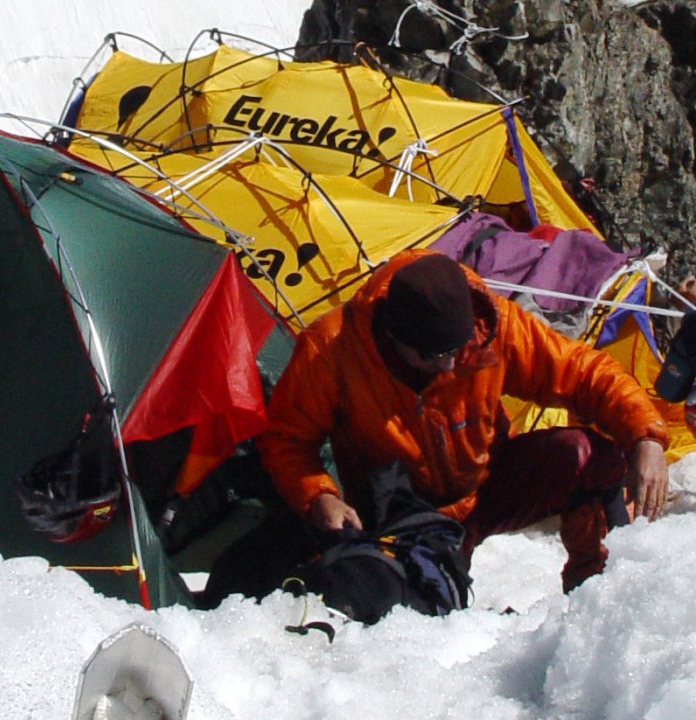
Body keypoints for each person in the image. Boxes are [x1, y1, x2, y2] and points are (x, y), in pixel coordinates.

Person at [258, 249, 670, 596]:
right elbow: (286, 441)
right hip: (406, 514)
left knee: (585, 457)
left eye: (457, 350)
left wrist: (645, 436)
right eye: (436, 357)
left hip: (488, 483)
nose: (452, 364)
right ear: (395, 339)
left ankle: (598, 589)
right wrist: (318, 496)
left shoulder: (489, 324)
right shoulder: (333, 349)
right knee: (424, 597)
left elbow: (583, 372)